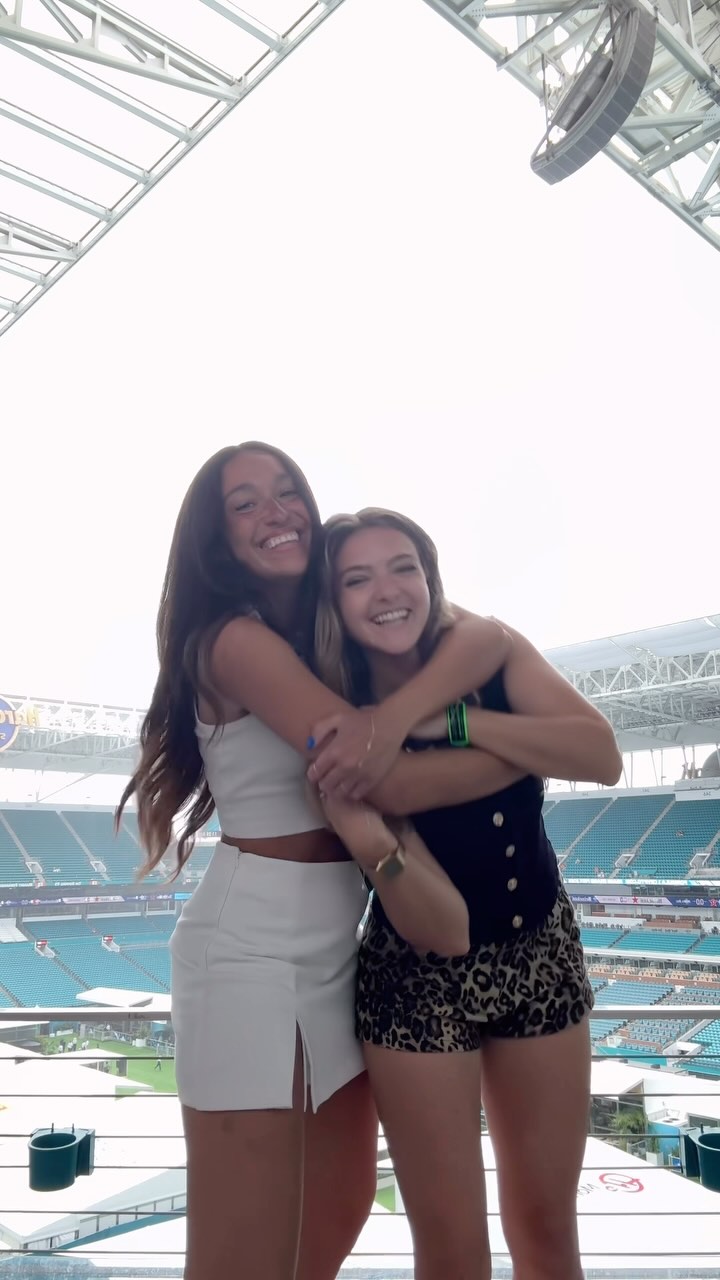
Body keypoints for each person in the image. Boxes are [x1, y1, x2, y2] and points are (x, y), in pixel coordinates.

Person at [116, 442, 526, 1280]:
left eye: (287, 491)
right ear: (217, 540)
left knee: (337, 1212)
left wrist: (438, 714)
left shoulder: (326, 634)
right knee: (243, 1254)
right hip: (248, 954)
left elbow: (483, 638)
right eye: (246, 504)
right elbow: (381, 775)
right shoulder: (233, 640)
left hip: (334, 952)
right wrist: (523, 755)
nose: (277, 513)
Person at [315, 507, 624, 1280]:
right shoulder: (340, 704)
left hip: (539, 952)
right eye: (358, 579)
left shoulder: (487, 652)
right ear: (334, 602)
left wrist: (458, 723)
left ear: (430, 578)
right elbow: (398, 788)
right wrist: (523, 747)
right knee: (452, 1251)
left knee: (548, 1230)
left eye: (403, 568)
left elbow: (600, 754)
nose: (388, 591)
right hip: (415, 975)